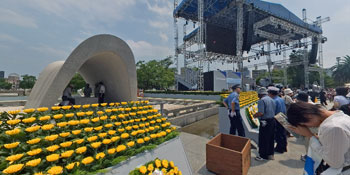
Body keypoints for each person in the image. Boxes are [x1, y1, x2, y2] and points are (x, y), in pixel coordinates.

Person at [287, 102, 350, 174]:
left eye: (304, 124)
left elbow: (335, 163)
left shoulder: (332, 128)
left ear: (308, 115)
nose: (309, 127)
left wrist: (310, 136)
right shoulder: (339, 115)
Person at [253, 87, 276, 161]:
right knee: (270, 138)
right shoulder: (272, 100)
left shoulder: (261, 101)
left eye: (258, 94)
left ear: (260, 94)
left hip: (265, 122)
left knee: (263, 139)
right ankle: (270, 154)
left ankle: (263, 155)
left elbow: (261, 113)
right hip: (272, 120)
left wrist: (254, 115)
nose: (257, 96)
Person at [268, 86, 287, 153]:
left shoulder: (273, 101)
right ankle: (284, 147)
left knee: (278, 134)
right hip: (283, 116)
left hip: (277, 118)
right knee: (283, 133)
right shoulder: (280, 99)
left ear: (271, 93)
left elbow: (272, 111)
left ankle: (280, 148)